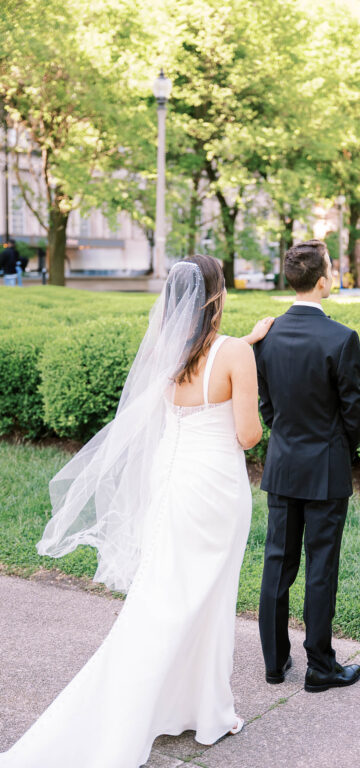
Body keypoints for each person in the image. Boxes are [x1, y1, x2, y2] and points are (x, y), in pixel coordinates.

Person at [0, 254, 276, 767]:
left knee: (168, 592)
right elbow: (247, 434)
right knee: (210, 598)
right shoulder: (235, 353)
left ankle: (184, 706)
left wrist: (247, 344)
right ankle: (208, 711)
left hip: (172, 486)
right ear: (218, 297)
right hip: (216, 491)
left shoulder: (164, 352)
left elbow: (201, 366)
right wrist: (249, 368)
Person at [254, 239, 360, 694]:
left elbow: (266, 404)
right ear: (323, 281)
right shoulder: (341, 338)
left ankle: (273, 662)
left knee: (276, 563)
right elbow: (354, 410)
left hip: (282, 466)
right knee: (321, 567)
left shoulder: (267, 335)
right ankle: (320, 667)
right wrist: (338, 449)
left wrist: (284, 435)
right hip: (325, 469)